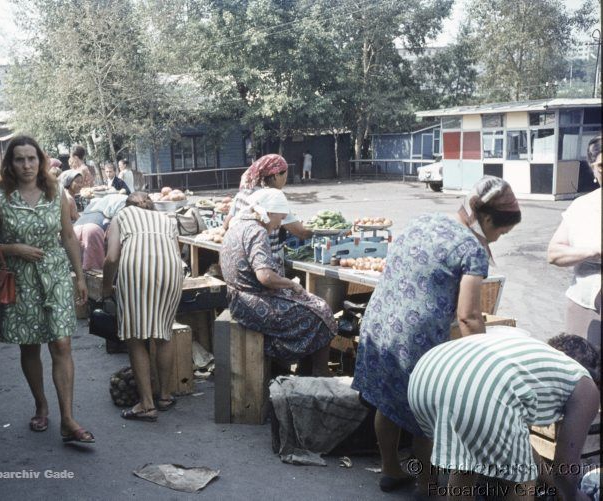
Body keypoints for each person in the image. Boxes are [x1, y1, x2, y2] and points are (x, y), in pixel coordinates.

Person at [351, 175, 521, 496]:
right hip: (416, 339)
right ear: (487, 220)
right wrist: (488, 362)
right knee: (427, 415)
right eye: (501, 232)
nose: (498, 239)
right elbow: (469, 316)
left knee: (387, 400)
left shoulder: (424, 221)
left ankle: (390, 468)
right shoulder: (471, 249)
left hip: (381, 324)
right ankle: (427, 485)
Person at [0, 135, 94, 444]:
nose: (27, 165)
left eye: (32, 159)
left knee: (62, 344)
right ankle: (41, 405)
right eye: (20, 159)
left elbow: (68, 236)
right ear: (10, 164)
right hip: (20, 279)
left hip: (55, 275)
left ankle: (67, 418)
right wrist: (12, 248)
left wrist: (80, 277)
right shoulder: (0, 199)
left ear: (40, 161)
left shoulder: (56, 194)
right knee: (29, 346)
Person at [408, 330, 600, 501]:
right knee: (523, 481)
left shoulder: (531, 359)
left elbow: (522, 447)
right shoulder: (585, 383)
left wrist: (551, 482)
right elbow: (565, 470)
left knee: (467, 462)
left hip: (426, 377)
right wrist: (574, 495)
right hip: (477, 392)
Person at [220, 188, 336, 376]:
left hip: (238, 298)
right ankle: (319, 372)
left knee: (312, 306)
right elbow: (265, 276)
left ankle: (304, 370)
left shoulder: (237, 225)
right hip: (251, 304)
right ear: (269, 212)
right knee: (322, 311)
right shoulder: (256, 232)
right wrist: (291, 284)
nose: (279, 224)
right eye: (280, 218)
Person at [101, 192, 184, 421]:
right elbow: (177, 253)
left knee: (135, 338)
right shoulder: (167, 219)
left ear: (128, 205)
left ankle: (147, 405)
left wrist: (106, 287)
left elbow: (112, 257)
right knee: (163, 334)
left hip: (137, 272)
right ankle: (164, 396)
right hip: (171, 273)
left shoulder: (122, 215)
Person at [548, 135, 601, 347]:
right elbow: (554, 253)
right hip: (584, 305)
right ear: (593, 169)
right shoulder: (581, 206)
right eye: (602, 166)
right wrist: (594, 251)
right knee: (581, 363)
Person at [224, 154, 312, 273]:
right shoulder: (274, 199)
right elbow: (301, 233)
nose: (285, 181)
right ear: (276, 176)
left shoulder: (241, 194)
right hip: (266, 264)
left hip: (242, 262)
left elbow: (226, 225)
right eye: (285, 176)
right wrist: (320, 231)